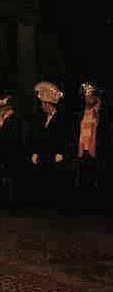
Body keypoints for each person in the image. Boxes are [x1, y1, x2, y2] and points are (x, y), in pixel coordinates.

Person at [29, 81, 68, 209]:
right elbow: (38, 137)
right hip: (43, 155)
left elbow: (64, 137)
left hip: (54, 155)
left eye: (43, 104)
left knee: (53, 182)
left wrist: (61, 153)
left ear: (48, 104)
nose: (42, 106)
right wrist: (35, 152)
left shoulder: (61, 118)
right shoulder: (42, 118)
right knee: (43, 181)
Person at [73, 82, 108, 211]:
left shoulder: (100, 112)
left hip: (95, 149)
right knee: (82, 175)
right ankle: (83, 204)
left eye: (90, 97)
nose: (87, 99)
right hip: (83, 149)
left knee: (95, 176)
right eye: (86, 97)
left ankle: (95, 205)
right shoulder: (82, 113)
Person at [0, 94, 25, 209]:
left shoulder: (14, 119)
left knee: (10, 176)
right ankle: (3, 200)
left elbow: (11, 136)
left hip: (10, 151)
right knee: (2, 175)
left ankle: (10, 202)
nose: (1, 108)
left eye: (4, 106)